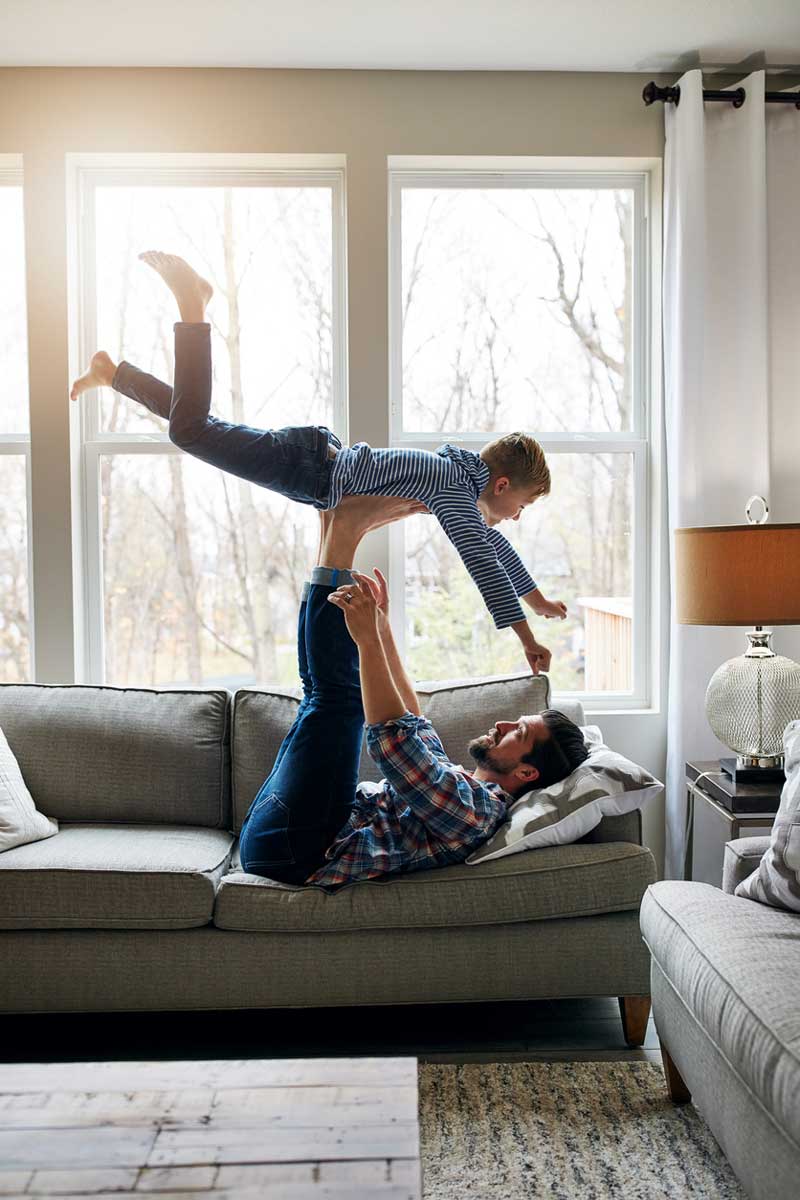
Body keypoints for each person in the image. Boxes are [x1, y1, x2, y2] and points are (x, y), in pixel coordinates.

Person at [70, 252, 567, 676]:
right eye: (521, 504)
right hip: (309, 468)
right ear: (501, 484)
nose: (516, 516)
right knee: (191, 431)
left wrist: (537, 598)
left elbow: (491, 544)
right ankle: (193, 307)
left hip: (313, 459)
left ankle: (113, 374)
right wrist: (525, 636)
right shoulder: (454, 491)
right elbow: (481, 561)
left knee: (203, 426)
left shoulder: (454, 477)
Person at [233, 494, 589, 889]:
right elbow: (413, 723)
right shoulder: (464, 787)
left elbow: (393, 744)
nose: (502, 724)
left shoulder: (477, 815)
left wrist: (367, 642)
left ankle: (344, 530)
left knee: (341, 699)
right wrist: (381, 629)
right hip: (287, 832)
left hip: (295, 852)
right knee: (320, 691)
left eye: (517, 733)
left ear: (527, 772)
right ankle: (331, 525)